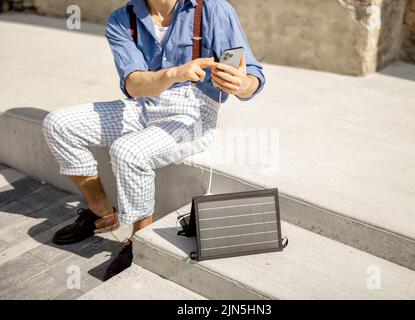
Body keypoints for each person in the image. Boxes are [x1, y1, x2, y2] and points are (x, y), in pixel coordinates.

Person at [42, 0, 265, 281]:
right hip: (143, 104)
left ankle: (139, 242)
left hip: (193, 110)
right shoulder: (123, 18)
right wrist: (174, 74)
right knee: (58, 124)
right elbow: (134, 84)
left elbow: (253, 75)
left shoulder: (213, 9)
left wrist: (241, 85)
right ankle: (101, 213)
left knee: (128, 152)